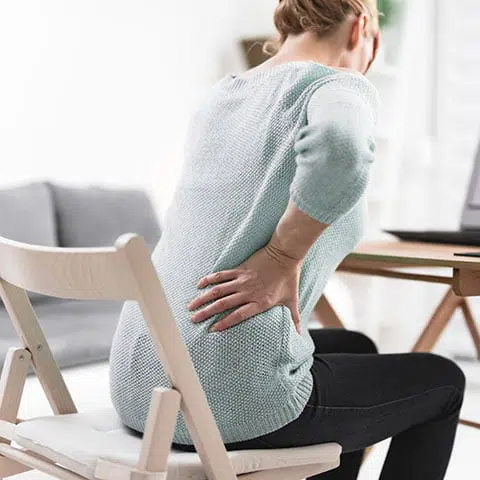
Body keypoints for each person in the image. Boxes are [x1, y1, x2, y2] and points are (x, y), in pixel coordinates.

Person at [109, 1, 466, 478]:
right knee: (443, 382)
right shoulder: (335, 83)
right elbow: (341, 147)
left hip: (145, 383)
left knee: (356, 346)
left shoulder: (225, 95)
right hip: (222, 402)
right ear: (361, 28)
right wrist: (281, 255)